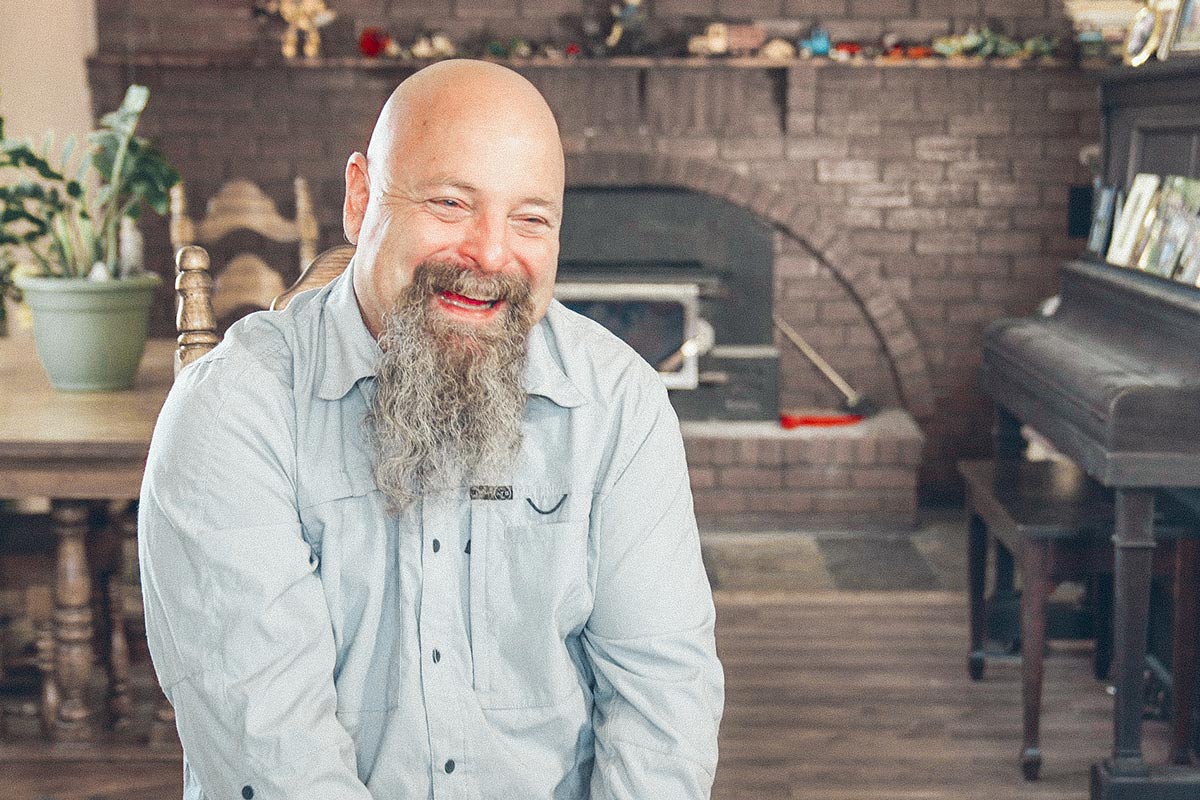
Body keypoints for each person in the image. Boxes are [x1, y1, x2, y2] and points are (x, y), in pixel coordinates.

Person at [139, 59, 724, 799]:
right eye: (450, 203)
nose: (488, 253)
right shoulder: (231, 411)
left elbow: (663, 708)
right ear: (360, 199)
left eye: (530, 220)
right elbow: (273, 753)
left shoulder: (620, 404)